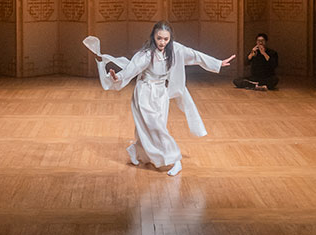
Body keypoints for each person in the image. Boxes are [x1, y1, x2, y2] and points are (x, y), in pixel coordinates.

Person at [92, 21, 235, 176]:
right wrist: (117, 77)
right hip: (144, 93)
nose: (162, 42)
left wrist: (217, 63)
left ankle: (137, 150)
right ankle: (175, 159)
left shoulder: (176, 50)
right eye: (159, 38)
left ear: (170, 38)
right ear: (153, 36)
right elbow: (131, 69)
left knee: (154, 127)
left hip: (161, 93)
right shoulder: (147, 54)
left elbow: (195, 55)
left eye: (166, 39)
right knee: (156, 127)